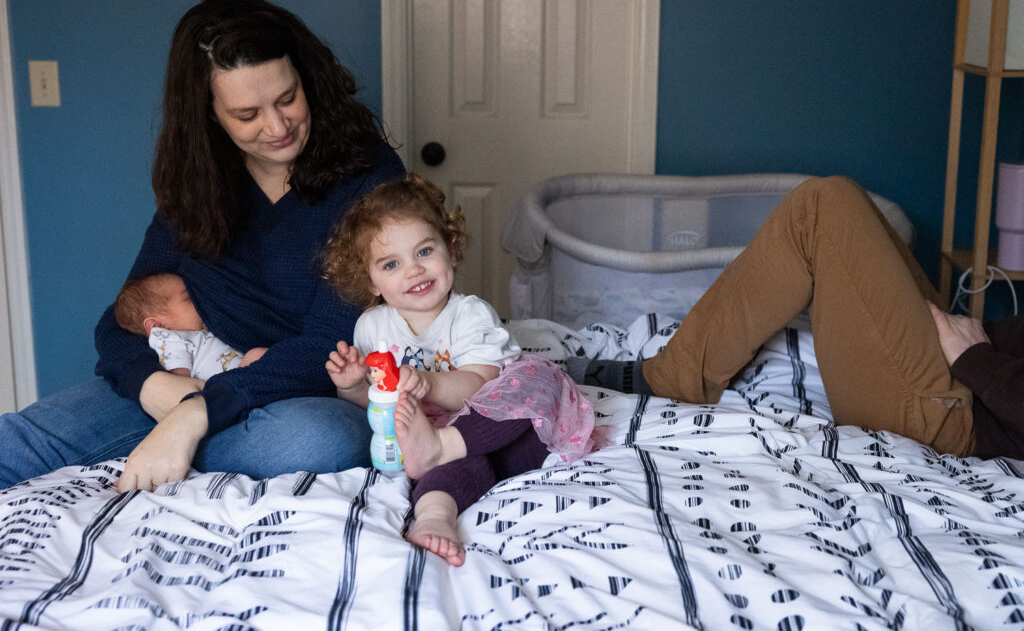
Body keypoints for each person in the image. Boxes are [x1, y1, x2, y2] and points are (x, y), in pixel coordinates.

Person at [0, 0, 406, 492]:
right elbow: (123, 319)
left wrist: (195, 417)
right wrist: (153, 386)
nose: (278, 127)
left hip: (294, 392)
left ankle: (179, 448)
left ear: (308, 80)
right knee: (11, 445)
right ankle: (177, 442)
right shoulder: (200, 178)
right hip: (187, 380)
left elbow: (329, 342)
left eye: (287, 99)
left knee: (319, 442)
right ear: (210, 113)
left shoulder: (369, 175)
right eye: (246, 114)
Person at [572, 175, 1024, 462]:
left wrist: (974, 357)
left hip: (958, 418)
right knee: (848, 208)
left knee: (823, 207)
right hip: (971, 378)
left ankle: (672, 376)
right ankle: (679, 371)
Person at [322, 173, 598, 566]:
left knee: (540, 380)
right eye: (391, 263)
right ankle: (434, 516)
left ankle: (438, 474)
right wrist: (351, 388)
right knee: (454, 467)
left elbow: (481, 382)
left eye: (424, 252)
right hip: (423, 439)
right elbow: (378, 403)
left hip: (482, 422)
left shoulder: (469, 314)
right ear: (372, 281)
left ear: (449, 250)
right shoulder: (372, 327)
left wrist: (430, 384)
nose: (413, 270)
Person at [114, 273, 266, 379]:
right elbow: (178, 383)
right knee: (256, 355)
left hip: (243, 375)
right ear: (157, 325)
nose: (197, 299)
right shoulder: (169, 340)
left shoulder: (198, 329)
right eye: (188, 298)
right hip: (231, 388)